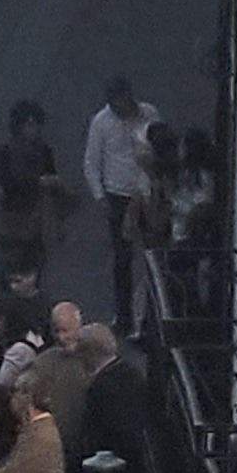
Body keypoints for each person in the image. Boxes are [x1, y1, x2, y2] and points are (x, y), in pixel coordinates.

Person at [73, 78, 161, 309]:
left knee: (155, 253)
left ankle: (152, 310)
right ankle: (124, 314)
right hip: (118, 195)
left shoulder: (149, 114)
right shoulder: (101, 123)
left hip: (147, 193)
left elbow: (161, 144)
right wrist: (100, 197)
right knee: (122, 258)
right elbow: (91, 162)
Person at [65, 323, 152, 473]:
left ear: (87, 353)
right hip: (138, 467)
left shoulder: (101, 388)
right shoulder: (134, 374)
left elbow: (98, 436)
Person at [0, 102, 65, 286]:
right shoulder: (5, 152)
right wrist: (38, 182)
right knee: (12, 265)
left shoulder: (45, 150)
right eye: (29, 124)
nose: (34, 130)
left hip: (37, 217)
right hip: (14, 216)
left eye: (35, 124)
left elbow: (52, 177)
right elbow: (8, 183)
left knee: (36, 265)